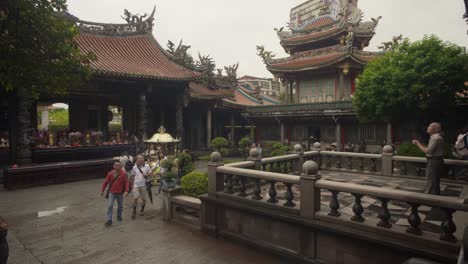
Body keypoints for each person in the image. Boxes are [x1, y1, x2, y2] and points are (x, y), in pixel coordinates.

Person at [413, 122, 444, 195]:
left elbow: (427, 151)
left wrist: (418, 143)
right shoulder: (436, 137)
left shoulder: (436, 138)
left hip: (433, 161)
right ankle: (434, 199)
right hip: (435, 161)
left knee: (431, 182)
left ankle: (430, 199)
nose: (428, 127)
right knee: (434, 182)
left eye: (430, 126)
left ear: (436, 129)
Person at [101, 161, 129, 227]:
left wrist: (127, 191)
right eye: (116, 165)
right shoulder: (110, 173)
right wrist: (102, 191)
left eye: (119, 165)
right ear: (113, 166)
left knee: (120, 206)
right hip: (112, 193)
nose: (117, 166)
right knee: (110, 205)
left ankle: (119, 215)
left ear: (121, 166)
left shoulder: (123, 174)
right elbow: (105, 182)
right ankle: (109, 220)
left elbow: (127, 182)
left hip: (120, 193)